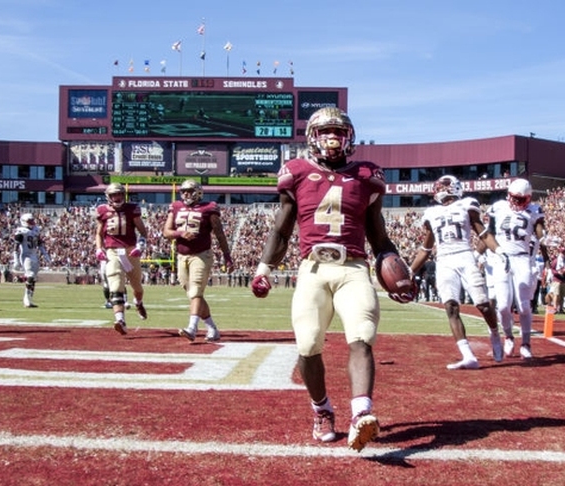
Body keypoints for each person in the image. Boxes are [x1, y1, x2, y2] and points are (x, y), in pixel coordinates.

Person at [251, 107, 414, 452]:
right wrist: (264, 268)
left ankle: (361, 414)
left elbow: (378, 234)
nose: (332, 138)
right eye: (325, 131)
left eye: (339, 132)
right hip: (312, 269)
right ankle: (322, 409)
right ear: (312, 136)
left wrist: (396, 266)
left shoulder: (367, 175)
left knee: (361, 337)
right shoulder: (295, 172)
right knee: (308, 346)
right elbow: (281, 229)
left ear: (349, 137)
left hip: (353, 268)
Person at [408, 175, 507, 370]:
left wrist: (499, 250)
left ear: (454, 187)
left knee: (483, 304)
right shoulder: (431, 212)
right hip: (444, 260)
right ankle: (468, 355)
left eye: (444, 184)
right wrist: (410, 270)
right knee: (451, 306)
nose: (439, 188)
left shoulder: (467, 205)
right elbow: (426, 248)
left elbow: (483, 233)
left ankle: (495, 333)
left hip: (464, 255)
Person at [484, 178, 549, 359]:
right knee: (503, 305)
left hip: (522, 260)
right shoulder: (498, 207)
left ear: (529, 198)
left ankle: (526, 343)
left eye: (522, 200)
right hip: (501, 259)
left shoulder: (535, 210)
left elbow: (539, 230)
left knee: (523, 305)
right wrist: (477, 254)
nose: (518, 203)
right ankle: (509, 337)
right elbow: (488, 233)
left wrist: (544, 239)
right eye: (516, 198)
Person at [163, 179, 234, 342]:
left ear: (198, 192)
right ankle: (212, 328)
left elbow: (220, 233)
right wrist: (180, 234)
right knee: (195, 296)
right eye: (184, 191)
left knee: (195, 292)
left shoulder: (209, 208)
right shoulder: (175, 207)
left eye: (189, 191)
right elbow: (166, 231)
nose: (186, 194)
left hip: (201, 255)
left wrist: (227, 256)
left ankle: (192, 328)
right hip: (182, 256)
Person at [95, 183, 149, 335]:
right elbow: (99, 233)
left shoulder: (132, 209)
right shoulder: (102, 211)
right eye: (114, 195)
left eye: (119, 194)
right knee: (115, 284)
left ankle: (138, 302)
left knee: (137, 287)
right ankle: (120, 320)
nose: (117, 198)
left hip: (130, 251)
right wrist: (99, 248)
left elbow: (143, 232)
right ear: (109, 197)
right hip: (113, 252)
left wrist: (140, 246)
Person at [12, 213, 51, 308]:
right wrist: (16, 260)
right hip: (25, 255)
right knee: (30, 275)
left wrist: (45, 254)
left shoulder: (36, 230)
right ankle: (26, 298)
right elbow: (16, 247)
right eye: (30, 221)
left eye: (32, 221)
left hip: (34, 255)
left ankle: (29, 299)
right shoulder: (21, 231)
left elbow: (40, 243)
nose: (32, 223)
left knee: (33, 278)